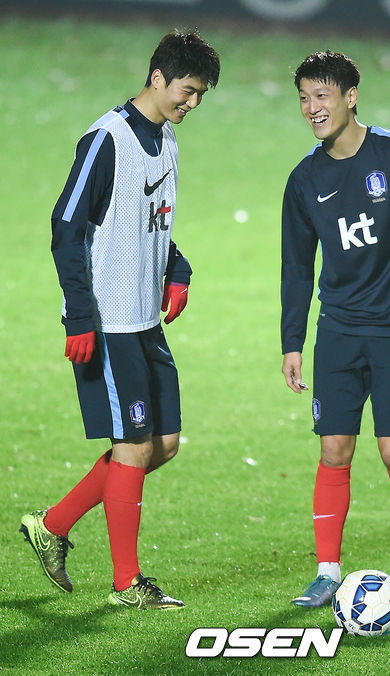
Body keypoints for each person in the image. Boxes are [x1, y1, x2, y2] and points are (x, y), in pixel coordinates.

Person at [19, 29, 220, 610]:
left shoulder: (167, 138)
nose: (192, 103)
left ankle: (53, 525)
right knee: (132, 446)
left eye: (200, 94)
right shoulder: (105, 140)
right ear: (157, 78)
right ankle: (127, 584)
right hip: (107, 323)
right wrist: (79, 316)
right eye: (187, 90)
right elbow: (66, 227)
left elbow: (149, 217)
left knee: (164, 444)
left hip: (144, 320)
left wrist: (177, 269)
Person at [281, 50, 390, 607]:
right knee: (334, 448)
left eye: (322, 96)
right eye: (304, 98)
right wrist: (292, 342)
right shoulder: (304, 180)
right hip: (338, 330)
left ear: (350, 97)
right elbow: (296, 267)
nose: (312, 107)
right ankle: (327, 572)